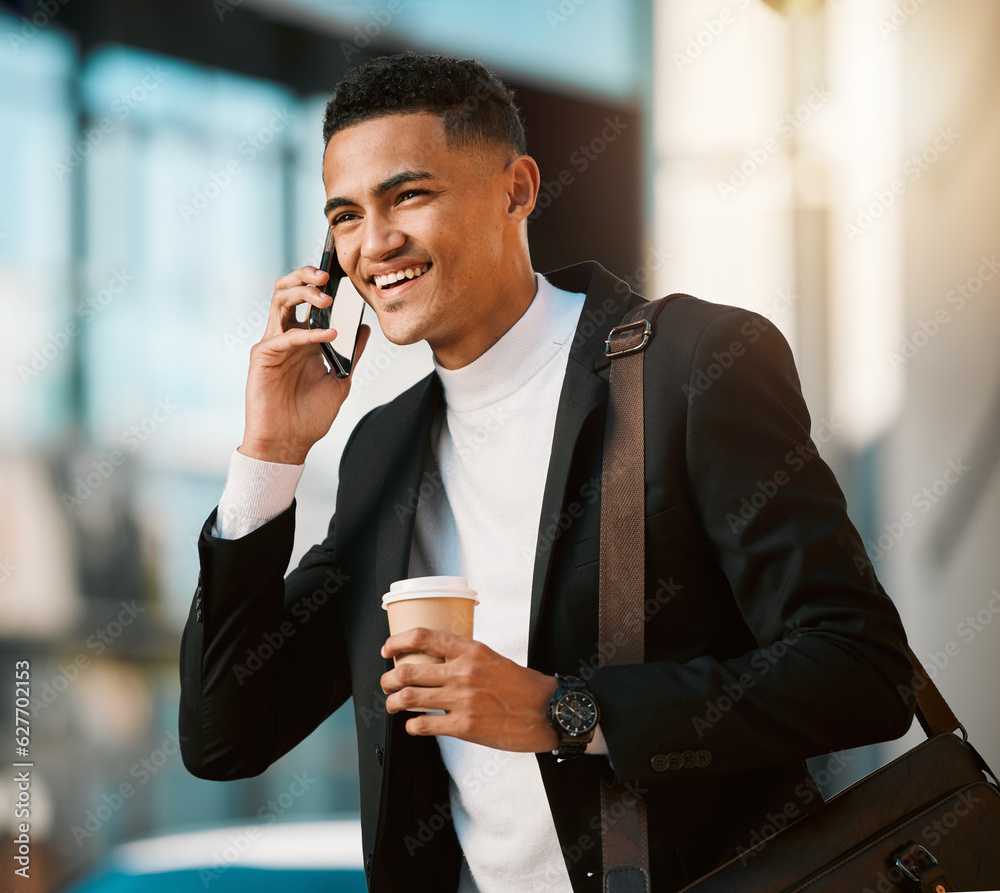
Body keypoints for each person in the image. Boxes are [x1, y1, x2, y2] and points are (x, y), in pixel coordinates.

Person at [179, 52, 916, 893]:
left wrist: (562, 709)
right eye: (346, 216)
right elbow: (223, 736)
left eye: (408, 195)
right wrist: (268, 455)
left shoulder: (691, 365)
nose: (374, 244)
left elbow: (861, 671)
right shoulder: (383, 448)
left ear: (517, 189)